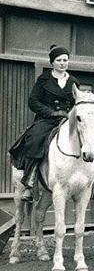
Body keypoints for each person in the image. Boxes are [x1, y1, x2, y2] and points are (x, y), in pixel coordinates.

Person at [9, 44, 80, 202]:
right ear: (52, 63)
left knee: (91, 141)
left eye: (65, 60)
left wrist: (72, 114)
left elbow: (79, 101)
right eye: (59, 60)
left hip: (68, 120)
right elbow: (33, 101)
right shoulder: (43, 79)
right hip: (47, 119)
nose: (63, 63)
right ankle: (30, 180)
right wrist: (52, 112)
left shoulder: (74, 81)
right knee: (34, 140)